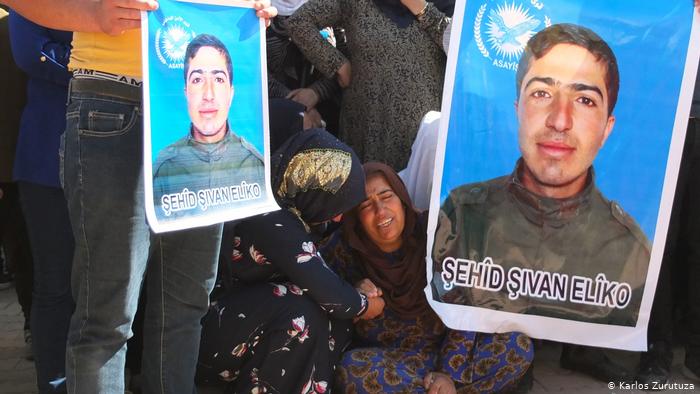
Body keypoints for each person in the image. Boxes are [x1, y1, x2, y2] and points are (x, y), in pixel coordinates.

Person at [4, 1, 277, 393]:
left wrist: (250, 13)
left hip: (191, 105)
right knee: (109, 316)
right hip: (114, 97)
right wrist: (93, 14)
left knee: (184, 308)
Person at [433, 23, 649, 381]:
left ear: (607, 127)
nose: (560, 120)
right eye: (542, 94)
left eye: (584, 100)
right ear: (518, 108)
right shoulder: (462, 213)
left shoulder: (628, 249)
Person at [197, 128, 383, 393]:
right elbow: (331, 293)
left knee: (330, 320)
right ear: (313, 185)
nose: (339, 218)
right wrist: (366, 304)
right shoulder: (269, 215)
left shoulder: (294, 218)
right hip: (205, 336)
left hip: (238, 329)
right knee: (301, 312)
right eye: (335, 204)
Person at [323, 162, 533, 393]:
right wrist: (351, 294)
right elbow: (314, 294)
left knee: (517, 345)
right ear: (356, 216)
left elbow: (466, 304)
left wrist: (448, 373)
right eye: (366, 205)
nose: (380, 211)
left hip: (451, 352)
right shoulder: (342, 250)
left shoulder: (437, 234)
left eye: (387, 196)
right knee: (352, 370)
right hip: (391, 361)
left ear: (402, 199)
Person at [287, 0, 453, 170]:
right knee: (372, 190)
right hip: (370, 125)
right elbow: (299, 22)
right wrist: (337, 64)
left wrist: (421, 8)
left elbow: (465, 48)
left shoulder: (453, 5)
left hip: (424, 131)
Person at [8, 10, 74, 393]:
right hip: (48, 160)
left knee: (110, 289)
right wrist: (99, 63)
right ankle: (55, 385)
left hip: (122, 155)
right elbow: (30, 53)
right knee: (55, 284)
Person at [152, 33, 265, 220]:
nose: (208, 94)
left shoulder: (253, 163)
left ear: (231, 93)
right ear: (186, 92)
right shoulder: (164, 167)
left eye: (219, 79)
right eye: (197, 80)